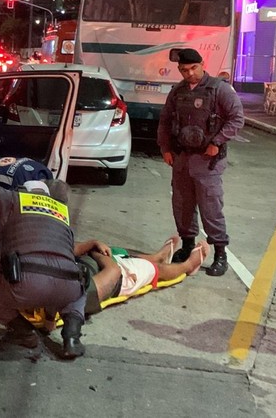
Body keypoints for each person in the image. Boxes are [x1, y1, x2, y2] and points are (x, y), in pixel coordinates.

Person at [0, 166, 87, 358]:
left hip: (26, 281)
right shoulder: (62, 213)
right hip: (68, 283)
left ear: (24, 191)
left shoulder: (13, 200)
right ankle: (71, 338)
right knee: (77, 294)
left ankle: (23, 332)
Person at [157, 48, 244, 277]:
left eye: (193, 68)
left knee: (211, 208)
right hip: (182, 159)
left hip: (207, 161)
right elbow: (165, 121)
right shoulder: (177, 91)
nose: (189, 74)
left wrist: (217, 141)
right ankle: (187, 246)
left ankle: (220, 254)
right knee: (182, 205)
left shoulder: (219, 89)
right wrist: (165, 148)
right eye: (184, 70)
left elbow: (237, 118)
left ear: (202, 64)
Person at [74, 236, 209, 319]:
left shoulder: (61, 283)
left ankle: (158, 257)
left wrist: (92, 245)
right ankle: (188, 265)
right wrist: (95, 252)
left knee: (112, 251)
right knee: (154, 269)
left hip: (95, 265)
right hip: (118, 278)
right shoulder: (81, 294)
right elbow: (113, 271)